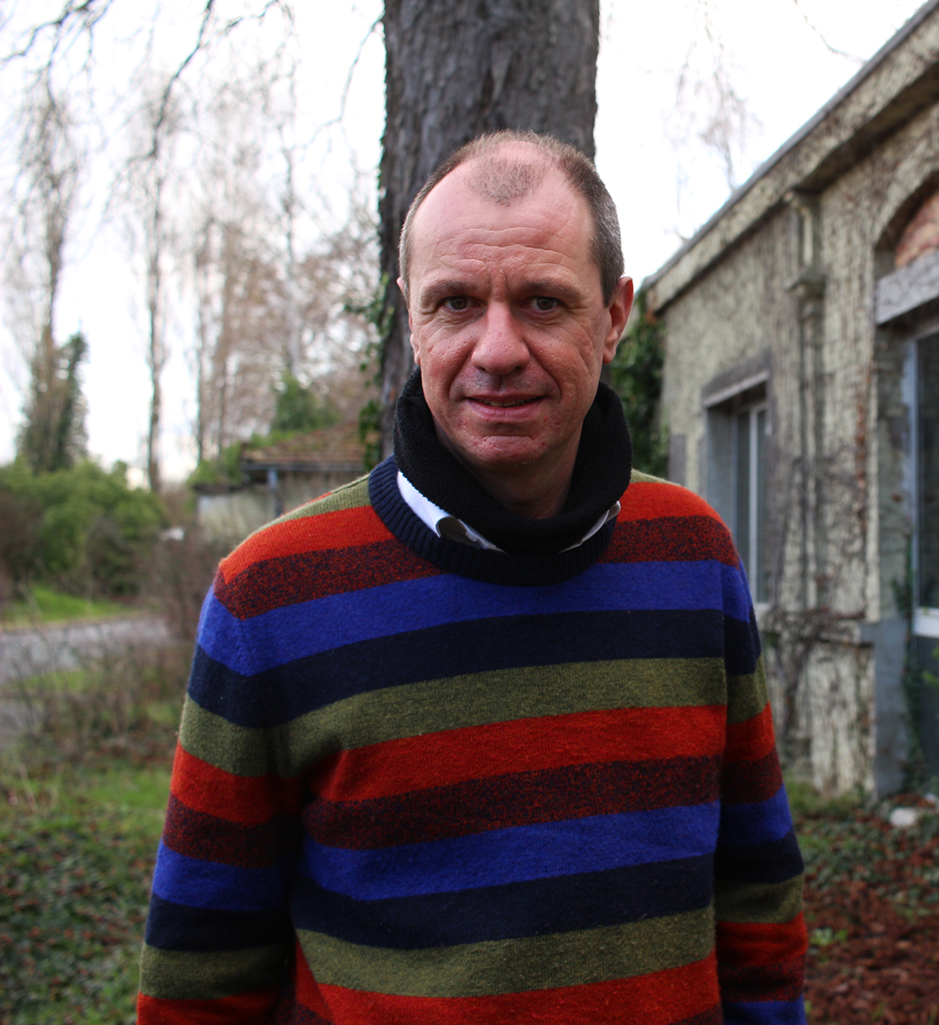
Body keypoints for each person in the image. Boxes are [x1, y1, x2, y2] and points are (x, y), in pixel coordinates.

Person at [136, 130, 808, 1025]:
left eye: (542, 301)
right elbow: (201, 977)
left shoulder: (693, 556)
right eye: (456, 302)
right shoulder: (272, 595)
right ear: (410, 313)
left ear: (613, 316)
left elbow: (756, 900)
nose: (497, 348)